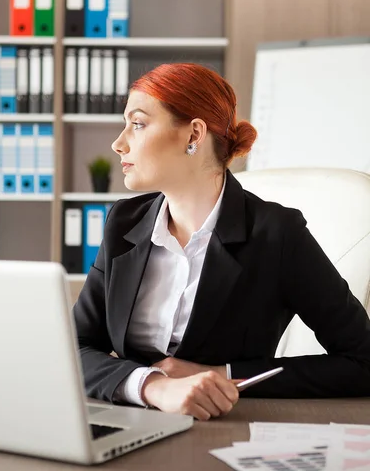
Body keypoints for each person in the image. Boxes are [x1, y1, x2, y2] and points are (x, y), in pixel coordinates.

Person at [73, 62, 370, 421]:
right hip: (129, 420)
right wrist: (152, 386)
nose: (118, 143)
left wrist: (222, 375)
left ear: (194, 135)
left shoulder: (277, 234)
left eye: (137, 124)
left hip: (224, 430)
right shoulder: (122, 223)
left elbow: (362, 361)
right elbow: (75, 348)